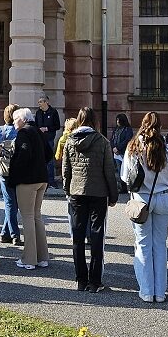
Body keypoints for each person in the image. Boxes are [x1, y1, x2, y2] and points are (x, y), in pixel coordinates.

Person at [120, 111, 168, 303]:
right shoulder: (167, 149)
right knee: (160, 246)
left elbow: (125, 176)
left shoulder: (133, 147)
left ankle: (146, 291)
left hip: (141, 200)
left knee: (143, 245)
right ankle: (160, 292)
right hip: (162, 198)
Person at [61, 106, 118, 292]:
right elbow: (109, 171)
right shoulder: (102, 141)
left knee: (77, 238)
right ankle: (94, 281)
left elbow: (66, 170)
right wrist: (113, 195)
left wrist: (67, 191)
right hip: (98, 193)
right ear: (95, 121)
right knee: (96, 237)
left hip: (76, 193)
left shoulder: (70, 140)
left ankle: (80, 279)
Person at [7, 107, 51, 269]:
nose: (13, 122)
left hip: (27, 181)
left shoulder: (24, 133)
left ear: (23, 119)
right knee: (36, 216)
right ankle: (42, 257)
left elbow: (23, 153)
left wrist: (14, 174)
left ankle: (29, 259)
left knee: (27, 217)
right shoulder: (38, 131)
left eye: (15, 119)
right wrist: (39, 165)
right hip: (41, 179)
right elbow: (49, 153)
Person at [0, 104, 22, 245]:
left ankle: (5, 233)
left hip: (3, 171)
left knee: (10, 202)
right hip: (18, 170)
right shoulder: (20, 131)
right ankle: (14, 234)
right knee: (14, 203)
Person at [35, 96, 62, 188]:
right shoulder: (38, 113)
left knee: (49, 160)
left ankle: (51, 181)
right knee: (40, 159)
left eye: (40, 102)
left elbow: (57, 126)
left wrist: (47, 128)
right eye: (38, 102)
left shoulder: (53, 112)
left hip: (49, 138)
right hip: (40, 139)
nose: (39, 104)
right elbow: (35, 125)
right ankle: (41, 180)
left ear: (46, 102)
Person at [109, 113, 133, 193]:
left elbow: (127, 140)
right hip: (116, 153)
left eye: (118, 120)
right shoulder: (116, 129)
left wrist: (118, 147)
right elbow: (112, 139)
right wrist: (113, 147)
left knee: (124, 170)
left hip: (123, 152)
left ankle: (125, 187)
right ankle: (120, 186)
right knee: (118, 171)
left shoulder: (127, 129)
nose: (117, 122)